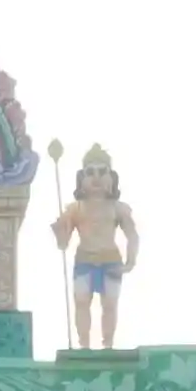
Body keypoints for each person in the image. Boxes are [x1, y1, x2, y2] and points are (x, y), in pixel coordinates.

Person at [51, 144, 140, 349]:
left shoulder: (118, 208)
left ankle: (108, 345)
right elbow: (63, 243)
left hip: (111, 259)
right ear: (81, 179)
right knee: (82, 302)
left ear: (112, 178)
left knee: (110, 304)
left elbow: (132, 235)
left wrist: (130, 261)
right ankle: (84, 345)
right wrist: (60, 231)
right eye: (90, 172)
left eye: (102, 172)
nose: (96, 178)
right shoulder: (76, 209)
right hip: (84, 259)